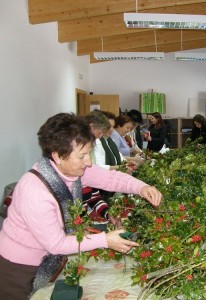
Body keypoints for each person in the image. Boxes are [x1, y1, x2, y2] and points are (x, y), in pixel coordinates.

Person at [0, 113, 162, 299]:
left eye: (89, 153)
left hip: (44, 261)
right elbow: (56, 244)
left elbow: (110, 178)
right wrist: (105, 240)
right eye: (82, 156)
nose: (89, 162)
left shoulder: (67, 171)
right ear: (58, 156)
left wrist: (142, 188)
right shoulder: (35, 190)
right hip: (17, 268)